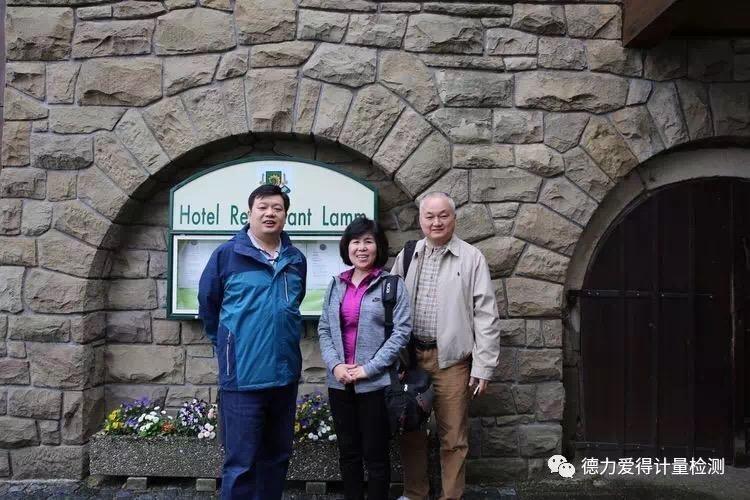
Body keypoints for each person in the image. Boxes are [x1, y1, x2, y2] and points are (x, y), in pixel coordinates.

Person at [198, 184, 307, 500]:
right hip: (243, 377)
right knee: (241, 464)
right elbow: (209, 306)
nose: (270, 213)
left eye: (277, 208)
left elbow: (293, 305)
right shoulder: (226, 255)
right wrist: (229, 347)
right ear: (249, 213)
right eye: (263, 207)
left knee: (277, 458)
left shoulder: (296, 259)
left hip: (284, 376)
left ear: (285, 215)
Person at [391, 192, 501, 500]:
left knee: (453, 437)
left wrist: (484, 366)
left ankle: (451, 496)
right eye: (430, 216)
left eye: (443, 215)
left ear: (454, 218)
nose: (436, 222)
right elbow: (390, 304)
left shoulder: (471, 258)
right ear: (420, 220)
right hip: (412, 359)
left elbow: (486, 315)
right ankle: (415, 493)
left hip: (451, 361)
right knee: (411, 430)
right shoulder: (408, 255)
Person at [318, 217, 412, 500]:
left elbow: (401, 332)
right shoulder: (336, 284)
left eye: (368, 241)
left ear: (378, 247)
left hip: (375, 384)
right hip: (340, 383)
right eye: (356, 241)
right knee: (348, 454)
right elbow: (324, 329)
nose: (361, 248)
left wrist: (368, 369)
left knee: (376, 455)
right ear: (347, 247)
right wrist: (336, 366)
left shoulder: (391, 285)